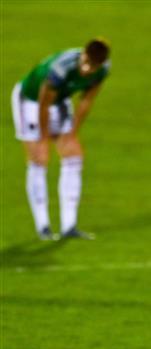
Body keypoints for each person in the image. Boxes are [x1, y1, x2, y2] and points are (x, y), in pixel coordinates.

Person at [11, 38, 111, 240]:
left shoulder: (102, 70)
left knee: (74, 155)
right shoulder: (60, 69)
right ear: (83, 54)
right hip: (31, 101)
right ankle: (43, 227)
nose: (87, 69)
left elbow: (86, 100)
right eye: (86, 62)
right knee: (39, 158)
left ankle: (69, 225)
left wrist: (72, 132)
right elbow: (43, 103)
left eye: (92, 66)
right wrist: (43, 138)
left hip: (59, 102)